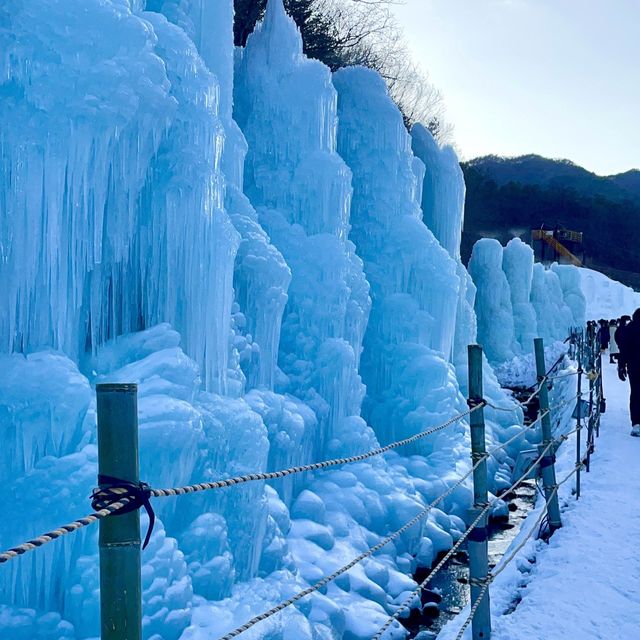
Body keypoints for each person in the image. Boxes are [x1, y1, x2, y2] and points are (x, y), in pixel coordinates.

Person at [617, 308, 640, 437]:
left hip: (634, 367)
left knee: (636, 393)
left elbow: (624, 348)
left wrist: (621, 367)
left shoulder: (630, 328)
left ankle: (636, 424)